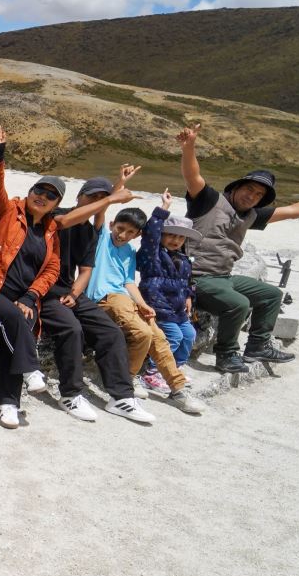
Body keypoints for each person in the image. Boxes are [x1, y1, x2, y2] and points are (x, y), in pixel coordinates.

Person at [177, 127, 299, 372]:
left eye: (258, 195)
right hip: (197, 277)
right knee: (238, 303)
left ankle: (258, 346)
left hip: (223, 277)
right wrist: (189, 146)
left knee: (271, 295)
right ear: (236, 187)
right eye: (249, 189)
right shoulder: (208, 199)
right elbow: (191, 174)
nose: (252, 196)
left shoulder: (250, 215)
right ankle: (226, 355)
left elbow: (296, 210)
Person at [0, 126, 67, 430]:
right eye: (39, 190)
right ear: (29, 193)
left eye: (51, 196)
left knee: (22, 321)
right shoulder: (7, 212)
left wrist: (31, 296)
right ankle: (27, 375)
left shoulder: (51, 231)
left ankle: (8, 401)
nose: (43, 197)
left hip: (23, 297)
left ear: (56, 204)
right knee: (17, 320)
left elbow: (52, 269)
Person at [82, 206, 207, 415]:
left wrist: (142, 303)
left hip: (123, 297)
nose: (123, 235)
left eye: (131, 232)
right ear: (112, 224)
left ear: (137, 235)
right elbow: (100, 212)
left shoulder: (130, 251)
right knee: (143, 333)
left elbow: (129, 282)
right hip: (104, 298)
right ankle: (126, 379)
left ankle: (178, 389)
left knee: (158, 336)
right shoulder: (102, 238)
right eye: (120, 229)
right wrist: (117, 189)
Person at [47, 175, 152, 423]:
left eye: (99, 199)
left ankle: (121, 397)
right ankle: (70, 395)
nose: (94, 202)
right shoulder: (58, 214)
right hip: (40, 290)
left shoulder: (90, 232)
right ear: (78, 196)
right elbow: (64, 222)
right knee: (72, 329)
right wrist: (113, 197)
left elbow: (85, 270)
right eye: (90, 196)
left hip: (68, 289)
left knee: (111, 332)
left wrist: (74, 293)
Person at [136, 192, 204, 381]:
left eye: (180, 238)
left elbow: (187, 282)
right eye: (171, 235)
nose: (176, 241)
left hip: (177, 308)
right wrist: (163, 208)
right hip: (158, 306)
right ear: (162, 235)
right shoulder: (153, 254)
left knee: (189, 335)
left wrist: (189, 296)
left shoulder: (183, 259)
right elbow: (150, 234)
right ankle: (152, 372)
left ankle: (174, 368)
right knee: (173, 337)